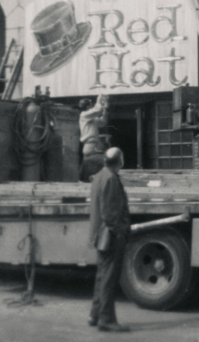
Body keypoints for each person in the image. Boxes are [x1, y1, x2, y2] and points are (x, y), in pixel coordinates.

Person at [88, 147, 131, 333]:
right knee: (108, 279)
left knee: (101, 277)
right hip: (110, 235)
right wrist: (120, 230)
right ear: (120, 161)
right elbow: (109, 212)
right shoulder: (111, 179)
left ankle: (95, 314)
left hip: (101, 234)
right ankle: (106, 319)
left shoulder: (100, 175)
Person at [79, 96, 108, 182]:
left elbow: (102, 122)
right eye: (90, 106)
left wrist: (105, 109)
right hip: (89, 145)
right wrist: (99, 101)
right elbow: (97, 110)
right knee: (102, 162)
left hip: (92, 146)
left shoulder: (91, 118)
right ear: (88, 107)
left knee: (91, 169)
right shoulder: (84, 115)